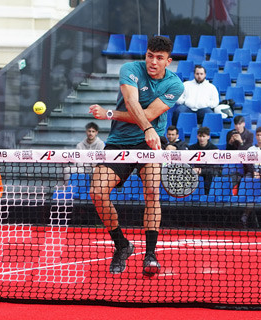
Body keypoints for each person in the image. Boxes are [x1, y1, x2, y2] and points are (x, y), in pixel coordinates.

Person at [86, 36, 184, 276]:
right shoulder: (130, 69)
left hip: (150, 143)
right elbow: (132, 103)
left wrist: (110, 113)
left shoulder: (175, 85)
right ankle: (122, 245)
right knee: (97, 193)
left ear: (168, 61)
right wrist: (143, 124)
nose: (152, 61)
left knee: (152, 191)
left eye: (159, 58)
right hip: (119, 143)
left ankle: (150, 254)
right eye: (150, 55)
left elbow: (149, 114)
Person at [188, 127, 221, 195]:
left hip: (208, 171)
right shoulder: (191, 148)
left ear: (208, 137)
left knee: (212, 173)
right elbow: (188, 164)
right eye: (200, 136)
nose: (201, 139)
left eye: (204, 136)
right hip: (194, 171)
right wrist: (193, 169)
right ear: (197, 136)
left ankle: (207, 195)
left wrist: (202, 170)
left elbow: (215, 167)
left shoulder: (214, 149)